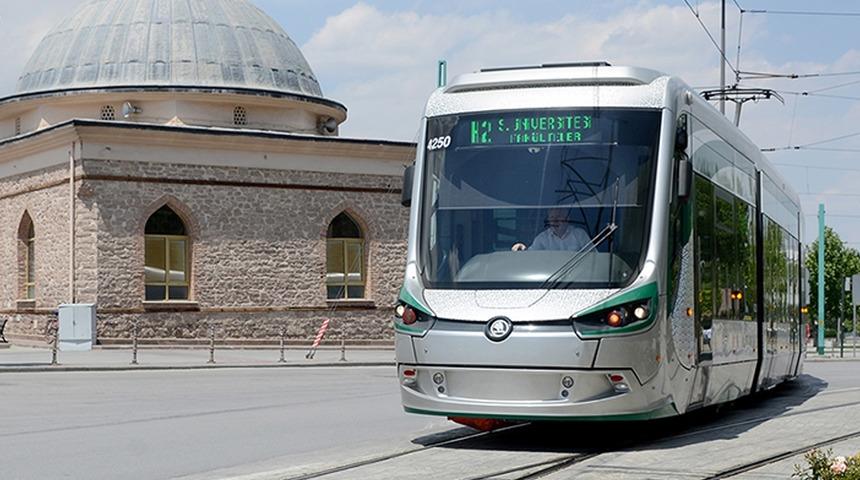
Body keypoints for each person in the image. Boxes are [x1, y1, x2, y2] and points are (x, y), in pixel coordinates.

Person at [512, 208, 591, 251]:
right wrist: (522, 248)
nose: (554, 221)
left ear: (567, 219)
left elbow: (593, 256)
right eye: (552, 217)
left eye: (558, 217)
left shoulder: (579, 235)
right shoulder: (542, 238)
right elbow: (531, 256)